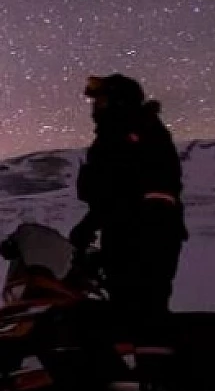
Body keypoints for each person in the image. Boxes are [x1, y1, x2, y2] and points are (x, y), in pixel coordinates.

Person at [69, 74, 187, 325]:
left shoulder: (129, 131)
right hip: (134, 230)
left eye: (100, 101)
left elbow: (121, 186)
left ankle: (150, 360)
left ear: (118, 101)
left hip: (143, 233)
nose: (95, 107)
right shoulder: (128, 130)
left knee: (141, 311)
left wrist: (90, 224)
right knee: (128, 310)